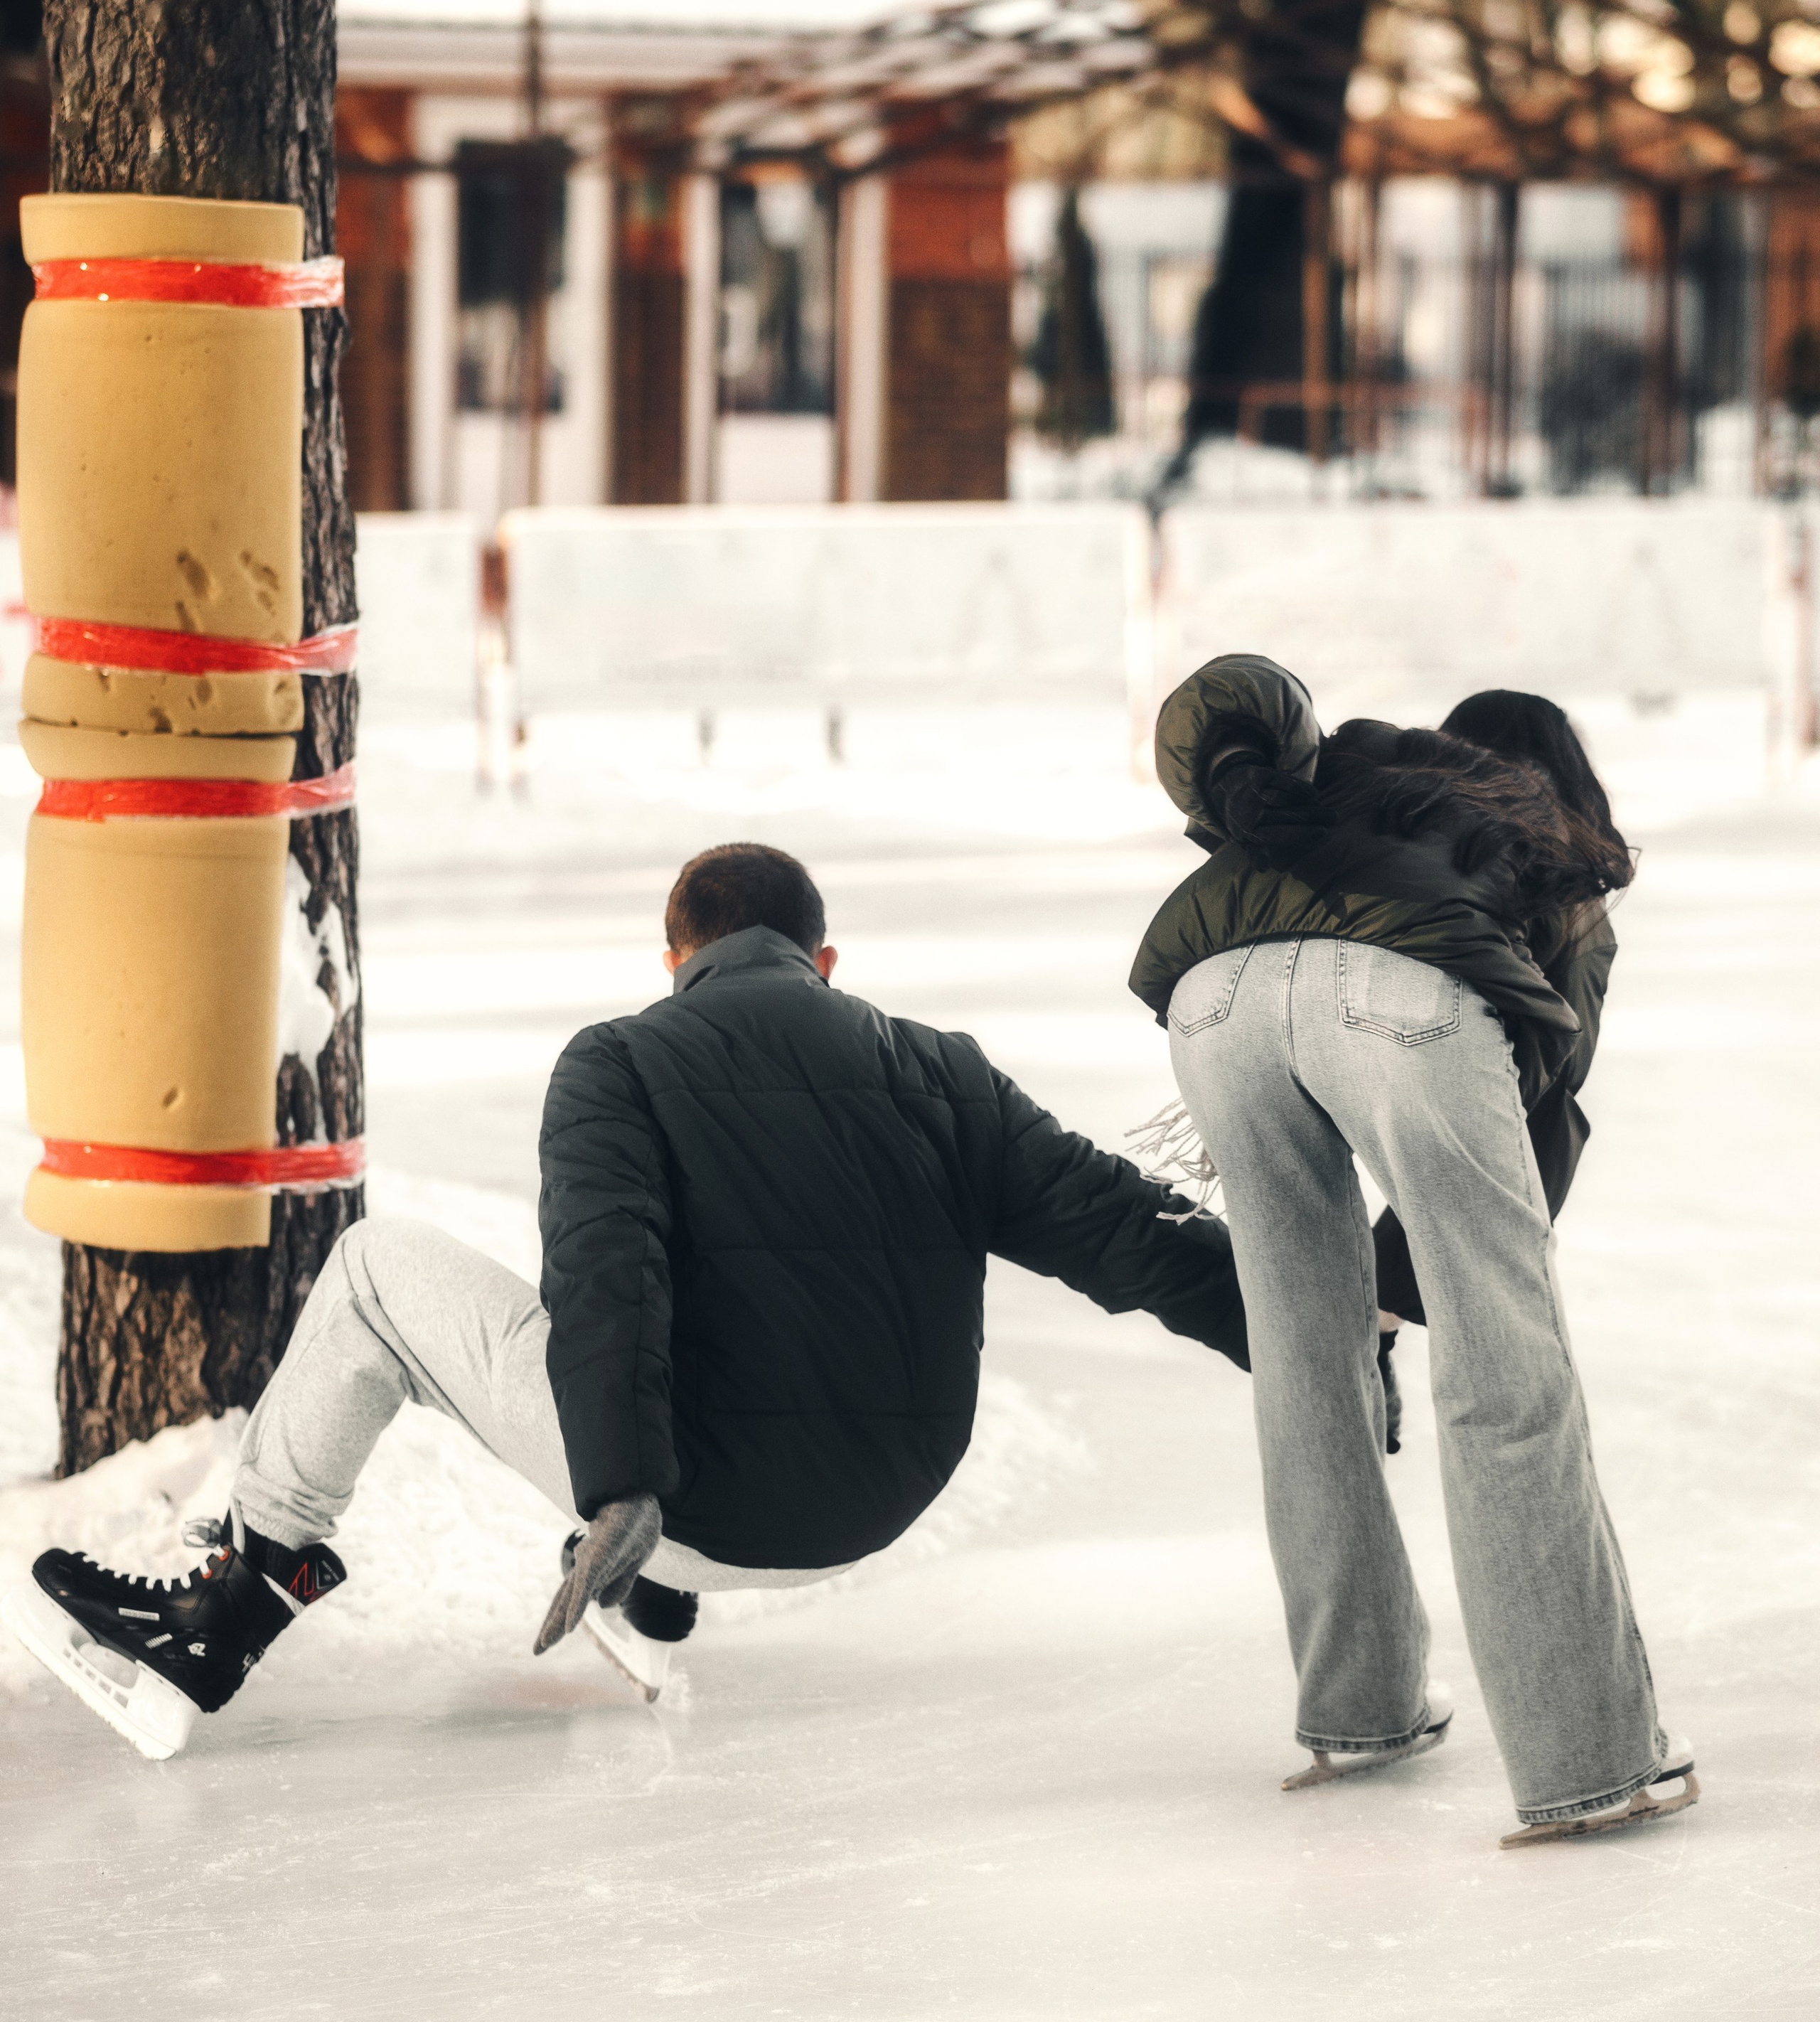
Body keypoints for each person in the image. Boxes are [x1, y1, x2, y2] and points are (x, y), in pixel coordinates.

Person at [9, 841, 1250, 1760]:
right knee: (765, 1297)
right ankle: (656, 1601)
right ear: (824, 965)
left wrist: (620, 1494)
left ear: (674, 965)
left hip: (687, 1503)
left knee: (377, 1273)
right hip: (878, 1509)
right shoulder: (945, 1072)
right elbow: (1121, 1229)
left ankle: (226, 1613)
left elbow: (612, 1279)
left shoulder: (622, 1062)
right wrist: (1314, 1324)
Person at [1128, 654, 1695, 1849]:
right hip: (1403, 995)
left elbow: (1231, 706)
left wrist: (1369, 1307)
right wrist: (1430, 1287)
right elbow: (1539, 1109)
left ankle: (1360, 1713)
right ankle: (1591, 1764)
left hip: (1209, 993)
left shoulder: (1363, 771)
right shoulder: (1558, 857)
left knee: (1303, 1362)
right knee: (1509, 1385)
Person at [1372, 689, 1630, 1448]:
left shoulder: (1391, 822)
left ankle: (1364, 1328)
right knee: (1549, 1117)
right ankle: (1388, 1319)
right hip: (1453, 1069)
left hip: (1291, 1021)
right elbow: (1561, 1057)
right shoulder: (1562, 880)